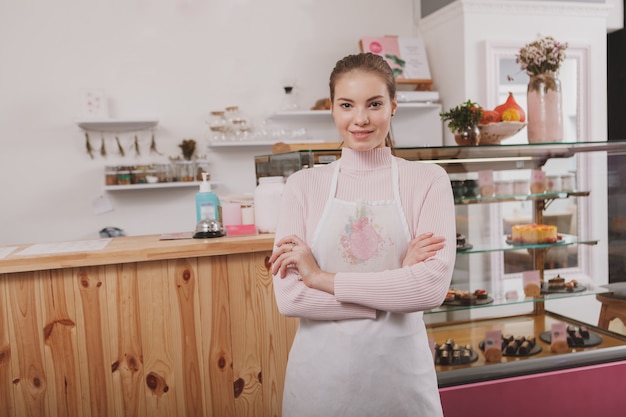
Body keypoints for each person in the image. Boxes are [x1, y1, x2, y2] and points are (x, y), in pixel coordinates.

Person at [269, 52, 456, 417]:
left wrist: (319, 277)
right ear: (333, 110)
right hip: (321, 384)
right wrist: (397, 285)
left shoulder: (429, 180)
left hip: (401, 383)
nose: (360, 119)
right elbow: (291, 298)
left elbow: (430, 288)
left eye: (374, 104)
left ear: (392, 107)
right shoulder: (302, 186)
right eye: (347, 105)